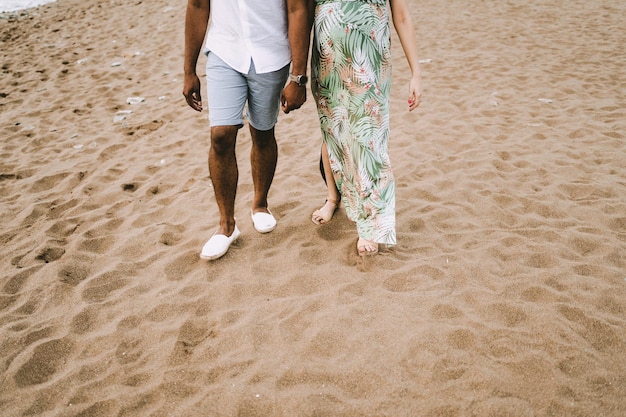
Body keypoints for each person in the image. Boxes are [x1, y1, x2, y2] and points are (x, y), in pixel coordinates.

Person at [183, 0, 310, 260]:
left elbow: (298, 9)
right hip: (225, 52)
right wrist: (189, 70)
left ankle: (260, 204)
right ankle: (226, 225)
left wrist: (298, 77)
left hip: (271, 54)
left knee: (262, 132)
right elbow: (197, 6)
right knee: (220, 135)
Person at [310, 0, 422, 255]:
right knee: (333, 130)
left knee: (368, 134)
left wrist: (416, 73)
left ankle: (370, 225)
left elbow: (402, 16)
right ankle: (333, 197)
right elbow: (301, 13)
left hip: (368, 60)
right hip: (328, 57)